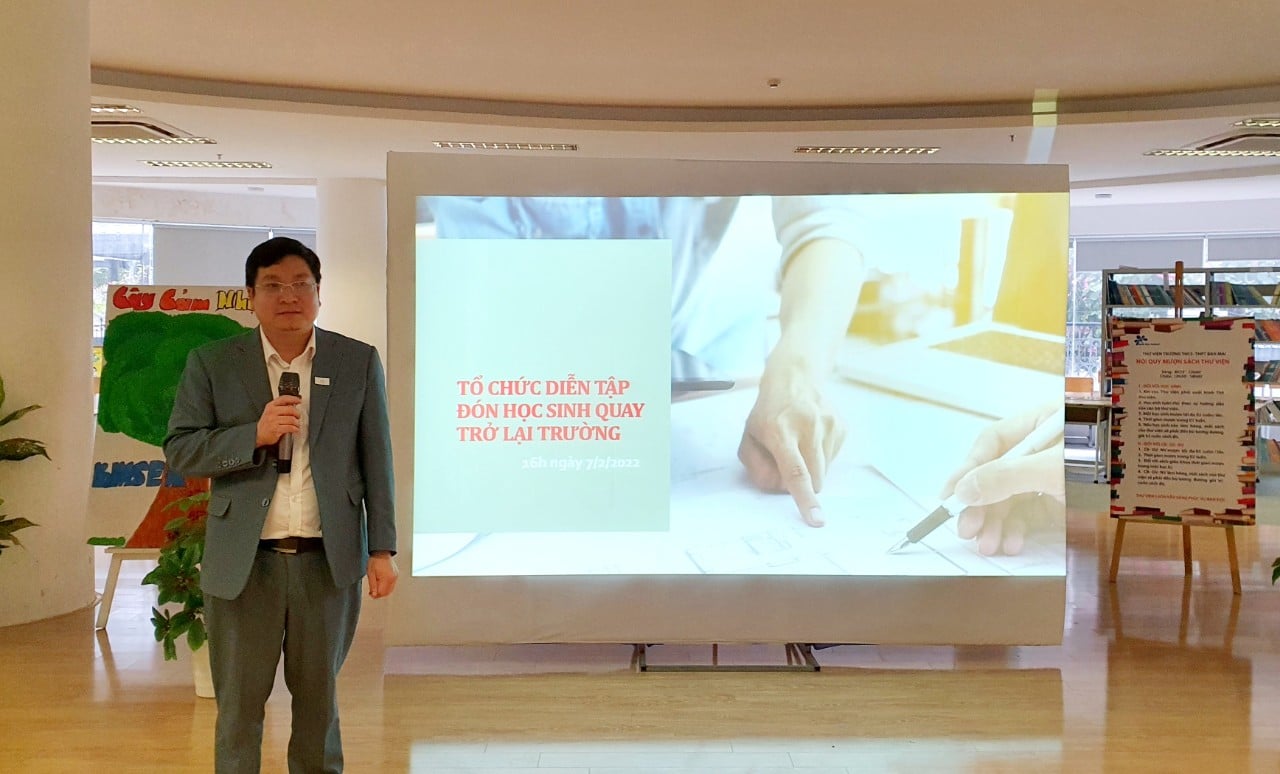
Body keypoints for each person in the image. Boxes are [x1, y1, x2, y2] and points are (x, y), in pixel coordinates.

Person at [426, 195, 870, 528]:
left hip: (694, 371)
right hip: (538, 384)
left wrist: (797, 373)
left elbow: (825, 214)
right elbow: (491, 300)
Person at [164, 236, 397, 773]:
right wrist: (254, 434)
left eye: (300, 284)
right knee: (239, 710)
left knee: (319, 708)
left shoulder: (356, 360)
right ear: (250, 296)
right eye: (272, 285)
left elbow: (376, 458)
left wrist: (382, 549)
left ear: (318, 292)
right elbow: (181, 449)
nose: (288, 296)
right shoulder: (213, 362)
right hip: (245, 565)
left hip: (326, 563)